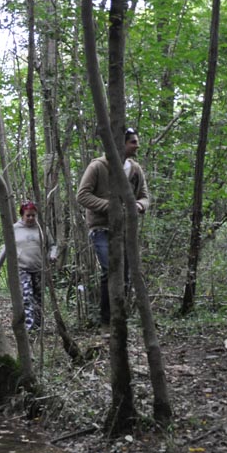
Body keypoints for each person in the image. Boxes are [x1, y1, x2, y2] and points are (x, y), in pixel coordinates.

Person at [76, 128, 150, 326]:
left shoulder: (135, 169)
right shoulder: (98, 166)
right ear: (121, 143)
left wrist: (139, 205)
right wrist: (110, 207)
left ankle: (120, 319)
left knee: (125, 273)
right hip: (101, 227)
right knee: (110, 269)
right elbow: (82, 195)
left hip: (126, 228)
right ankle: (106, 322)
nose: (137, 145)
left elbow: (144, 196)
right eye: (133, 142)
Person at [0, 200, 56, 331]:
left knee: (38, 298)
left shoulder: (42, 228)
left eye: (33, 215)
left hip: (39, 268)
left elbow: (52, 245)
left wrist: (52, 255)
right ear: (22, 215)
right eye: (28, 215)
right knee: (27, 297)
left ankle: (38, 326)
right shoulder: (14, 228)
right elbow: (6, 247)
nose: (31, 218)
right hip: (22, 268)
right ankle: (29, 327)